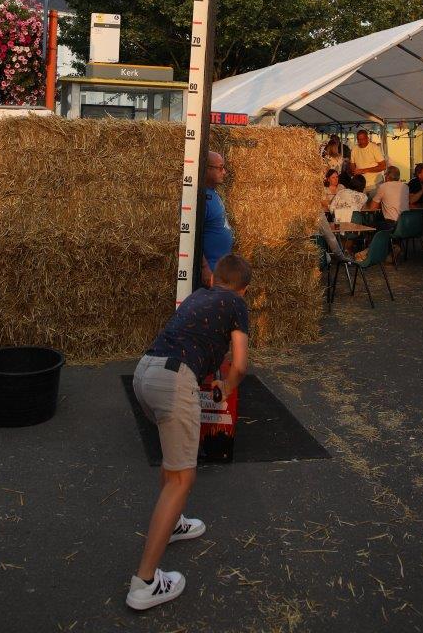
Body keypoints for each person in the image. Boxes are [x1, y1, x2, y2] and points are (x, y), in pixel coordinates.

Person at [127, 253, 251, 610]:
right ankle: (145, 583)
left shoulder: (199, 295)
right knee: (183, 478)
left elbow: (199, 338)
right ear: (243, 290)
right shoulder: (237, 304)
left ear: (214, 280)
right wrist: (228, 386)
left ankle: (174, 523)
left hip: (145, 372)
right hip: (174, 381)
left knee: (173, 462)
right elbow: (240, 364)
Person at [202, 151, 234, 286]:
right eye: (220, 168)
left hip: (220, 270)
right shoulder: (200, 198)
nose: (224, 172)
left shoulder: (213, 194)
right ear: (207, 169)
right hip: (210, 272)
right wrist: (204, 268)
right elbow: (191, 238)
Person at [365, 165, 410, 229]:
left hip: (392, 224)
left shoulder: (383, 186)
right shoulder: (405, 187)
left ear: (387, 176)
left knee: (370, 224)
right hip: (406, 223)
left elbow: (372, 207)